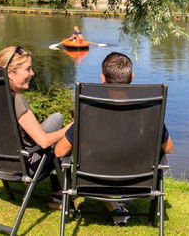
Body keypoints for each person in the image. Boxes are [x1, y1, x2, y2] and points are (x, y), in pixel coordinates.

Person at [55, 52, 174, 225]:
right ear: (132, 77)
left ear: (102, 78)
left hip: (93, 181)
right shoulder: (149, 109)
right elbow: (169, 148)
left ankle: (109, 204)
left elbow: (59, 151)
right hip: (139, 182)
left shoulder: (88, 108)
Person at [0, 46, 70, 207]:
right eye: (27, 69)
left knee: (57, 117)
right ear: (10, 73)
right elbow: (43, 142)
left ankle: (57, 195)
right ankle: (57, 196)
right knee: (62, 136)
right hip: (23, 164)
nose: (32, 73)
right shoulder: (16, 99)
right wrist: (69, 130)